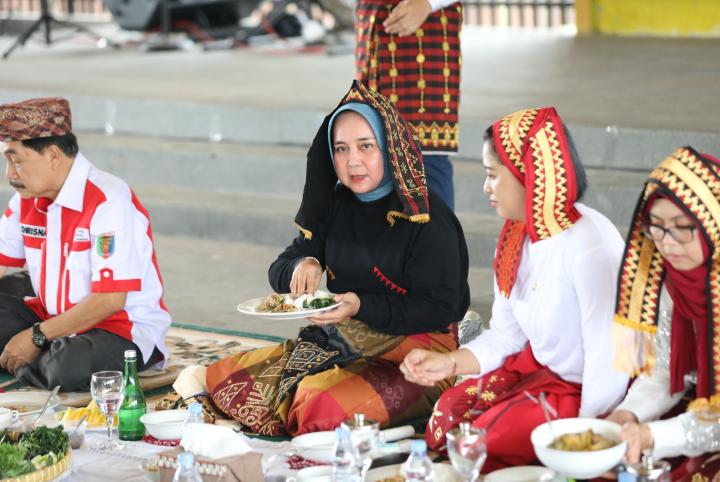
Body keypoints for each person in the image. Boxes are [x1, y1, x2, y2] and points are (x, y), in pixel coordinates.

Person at [205, 81, 470, 436]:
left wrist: (361, 305)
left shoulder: (426, 219)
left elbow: (440, 308)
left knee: (318, 405)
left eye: (366, 147)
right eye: (341, 149)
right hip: (346, 340)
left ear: (390, 148)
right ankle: (316, 394)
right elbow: (281, 268)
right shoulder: (335, 205)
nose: (353, 161)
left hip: (420, 352)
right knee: (224, 377)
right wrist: (304, 264)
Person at [400, 107, 629, 472]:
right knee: (445, 421)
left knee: (482, 442)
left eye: (493, 175)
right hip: (535, 369)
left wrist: (585, 440)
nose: (486, 188)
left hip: (588, 391)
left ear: (531, 176)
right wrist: (450, 362)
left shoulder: (589, 243)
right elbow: (506, 336)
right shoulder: (515, 235)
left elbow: (610, 359)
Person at [0, 97, 171, 391]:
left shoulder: (108, 200)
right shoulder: (25, 200)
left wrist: (36, 337)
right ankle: (41, 359)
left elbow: (110, 300)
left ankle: (42, 358)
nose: (9, 174)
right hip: (50, 321)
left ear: (53, 155)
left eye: (16, 162)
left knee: (68, 366)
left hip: (117, 328)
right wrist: (42, 334)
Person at [606, 147, 720, 468]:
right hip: (703, 405)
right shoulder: (673, 282)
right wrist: (627, 415)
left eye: (682, 227)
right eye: (655, 226)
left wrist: (650, 436)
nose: (666, 242)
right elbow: (665, 373)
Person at [356, 0, 462, 210]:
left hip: (422, 31)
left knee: (423, 157)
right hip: (373, 28)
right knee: (371, 154)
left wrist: (429, 3)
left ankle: (436, 242)